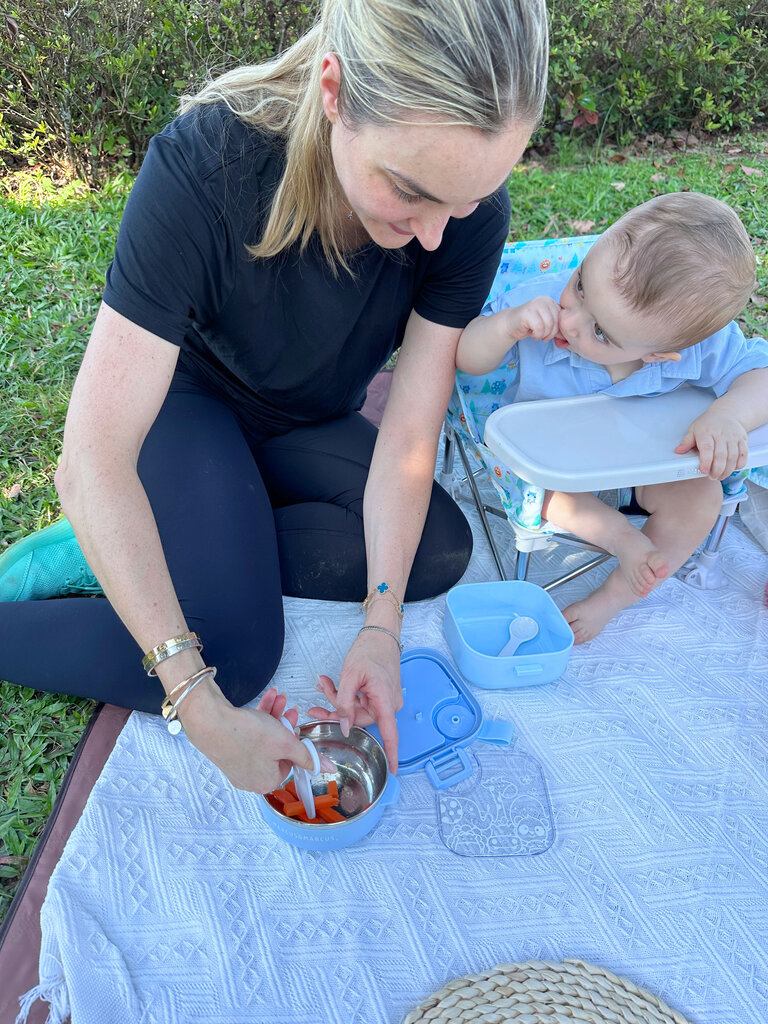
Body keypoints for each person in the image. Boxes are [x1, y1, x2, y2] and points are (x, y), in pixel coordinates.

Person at [0, 0, 549, 790]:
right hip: (188, 408)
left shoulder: (464, 218)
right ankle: (111, 545)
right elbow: (92, 457)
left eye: (463, 202)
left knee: (435, 551)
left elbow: (406, 437)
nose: (437, 235)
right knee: (237, 651)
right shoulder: (206, 166)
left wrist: (382, 630)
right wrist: (194, 699)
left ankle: (178, 536)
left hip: (307, 418)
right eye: (411, 192)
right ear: (335, 92)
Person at [456, 192, 768, 643]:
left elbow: (759, 375)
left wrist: (728, 415)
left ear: (661, 354)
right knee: (547, 494)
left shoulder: (699, 346)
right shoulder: (540, 300)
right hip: (557, 465)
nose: (571, 321)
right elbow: (466, 359)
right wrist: (508, 325)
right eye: (581, 285)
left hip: (640, 463)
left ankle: (614, 598)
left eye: (600, 331)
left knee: (701, 497)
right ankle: (620, 536)